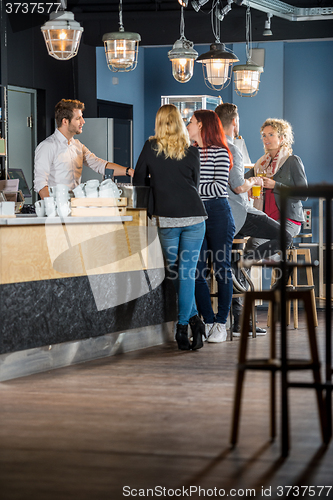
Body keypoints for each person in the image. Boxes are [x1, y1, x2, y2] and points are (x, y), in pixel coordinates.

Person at [133, 104, 207, 351]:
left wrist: (156, 187)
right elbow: (194, 184)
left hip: (166, 218)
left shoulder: (150, 147)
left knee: (177, 272)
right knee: (183, 273)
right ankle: (195, 320)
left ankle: (183, 324)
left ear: (159, 122)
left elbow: (137, 180)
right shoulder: (192, 151)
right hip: (195, 217)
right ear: (179, 121)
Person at [215, 103, 292, 335]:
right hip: (239, 213)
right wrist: (254, 183)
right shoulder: (233, 148)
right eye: (264, 135)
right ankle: (244, 261)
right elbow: (239, 186)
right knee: (284, 236)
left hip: (217, 216)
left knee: (233, 262)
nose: (266, 139)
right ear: (235, 122)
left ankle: (240, 323)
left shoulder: (204, 148)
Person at [187, 110, 235, 343]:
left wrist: (193, 190)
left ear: (203, 126)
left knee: (222, 268)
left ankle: (221, 323)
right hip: (196, 215)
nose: (188, 125)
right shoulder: (189, 152)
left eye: (192, 122)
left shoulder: (221, 152)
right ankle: (207, 320)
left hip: (218, 214)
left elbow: (219, 188)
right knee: (197, 270)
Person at [34, 99, 134, 199]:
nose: (83, 121)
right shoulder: (47, 146)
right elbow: (40, 183)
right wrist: (54, 209)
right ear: (65, 121)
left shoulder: (78, 146)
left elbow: (99, 165)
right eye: (78, 118)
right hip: (57, 210)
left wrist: (129, 171)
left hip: (76, 208)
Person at [246, 118, 308, 247]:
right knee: (248, 241)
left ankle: (280, 262)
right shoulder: (260, 164)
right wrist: (249, 187)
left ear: (282, 138)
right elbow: (242, 180)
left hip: (289, 220)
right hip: (268, 219)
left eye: (271, 134)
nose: (265, 138)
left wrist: (275, 185)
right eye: (263, 135)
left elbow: (304, 194)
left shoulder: (292, 161)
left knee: (256, 242)